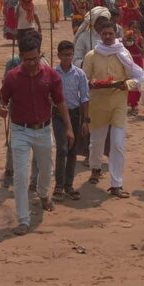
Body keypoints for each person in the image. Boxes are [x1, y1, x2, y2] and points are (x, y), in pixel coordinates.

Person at [0, 33, 74, 236]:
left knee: (47, 169)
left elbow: (60, 102)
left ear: (40, 54)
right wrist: (2, 108)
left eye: (35, 58)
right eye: (27, 59)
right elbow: (1, 100)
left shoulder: (51, 75)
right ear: (21, 57)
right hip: (20, 130)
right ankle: (23, 219)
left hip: (43, 130)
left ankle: (43, 194)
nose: (31, 63)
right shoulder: (12, 77)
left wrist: (68, 127)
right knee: (21, 177)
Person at [82, 21, 144, 198]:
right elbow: (84, 80)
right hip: (98, 104)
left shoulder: (123, 53)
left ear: (115, 34)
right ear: (99, 35)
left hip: (118, 103)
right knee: (96, 142)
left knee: (117, 145)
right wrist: (92, 84)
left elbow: (139, 77)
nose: (107, 37)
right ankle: (95, 168)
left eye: (110, 33)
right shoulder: (91, 56)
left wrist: (126, 85)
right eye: (104, 34)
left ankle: (116, 184)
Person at [52, 40, 90, 202]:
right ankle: (59, 186)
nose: (68, 58)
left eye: (70, 55)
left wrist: (85, 120)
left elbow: (85, 97)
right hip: (58, 115)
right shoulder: (53, 73)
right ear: (59, 55)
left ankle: (69, 185)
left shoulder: (79, 74)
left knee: (73, 151)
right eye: (65, 55)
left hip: (75, 114)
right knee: (62, 148)